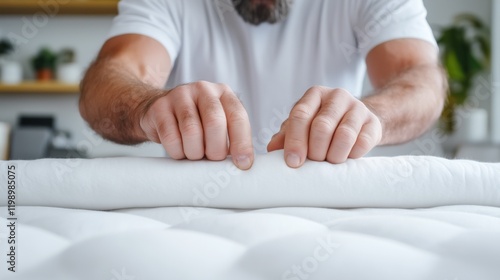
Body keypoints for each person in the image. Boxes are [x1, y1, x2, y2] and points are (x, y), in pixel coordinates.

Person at [79, 0, 447, 170]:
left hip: (325, 201)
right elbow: (111, 76)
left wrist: (370, 116)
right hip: (195, 207)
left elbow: (420, 77)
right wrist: (147, 108)